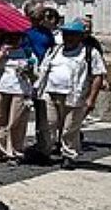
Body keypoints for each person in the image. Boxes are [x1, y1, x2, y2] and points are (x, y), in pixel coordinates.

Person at [38, 18, 106, 169]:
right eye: (66, 34)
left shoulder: (90, 52)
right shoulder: (54, 50)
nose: (68, 37)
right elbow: (43, 70)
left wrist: (91, 99)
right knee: (48, 125)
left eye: (72, 34)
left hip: (74, 95)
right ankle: (44, 152)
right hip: (50, 92)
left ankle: (69, 155)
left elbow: (98, 76)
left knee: (70, 128)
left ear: (80, 36)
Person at [0, 32, 36, 163]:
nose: (14, 39)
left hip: (20, 90)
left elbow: (35, 74)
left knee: (16, 123)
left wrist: (29, 72)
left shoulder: (27, 52)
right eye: (11, 37)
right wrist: (4, 51)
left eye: (17, 37)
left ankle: (15, 152)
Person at [25, 6, 60, 161]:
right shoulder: (24, 31)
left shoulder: (46, 33)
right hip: (28, 73)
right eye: (39, 14)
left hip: (44, 74)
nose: (43, 17)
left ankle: (43, 144)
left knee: (43, 110)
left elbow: (52, 49)